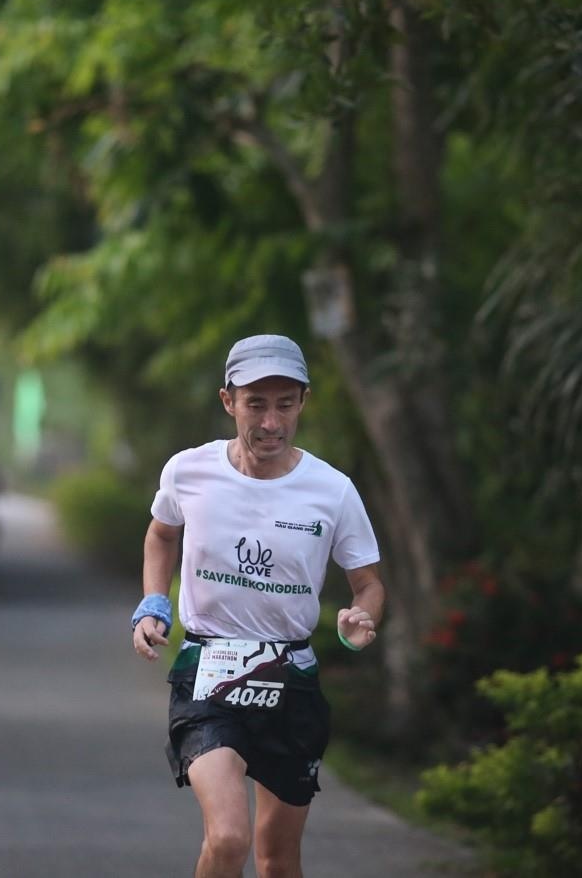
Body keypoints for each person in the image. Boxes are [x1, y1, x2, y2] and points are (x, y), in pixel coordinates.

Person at [131, 334, 385, 878]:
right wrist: (154, 602)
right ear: (229, 402)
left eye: (285, 405)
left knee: (276, 860)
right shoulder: (188, 472)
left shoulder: (332, 491)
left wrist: (362, 619)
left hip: (290, 679)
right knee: (227, 839)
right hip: (208, 675)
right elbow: (161, 535)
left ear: (303, 403)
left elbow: (369, 584)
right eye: (256, 404)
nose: (271, 422)